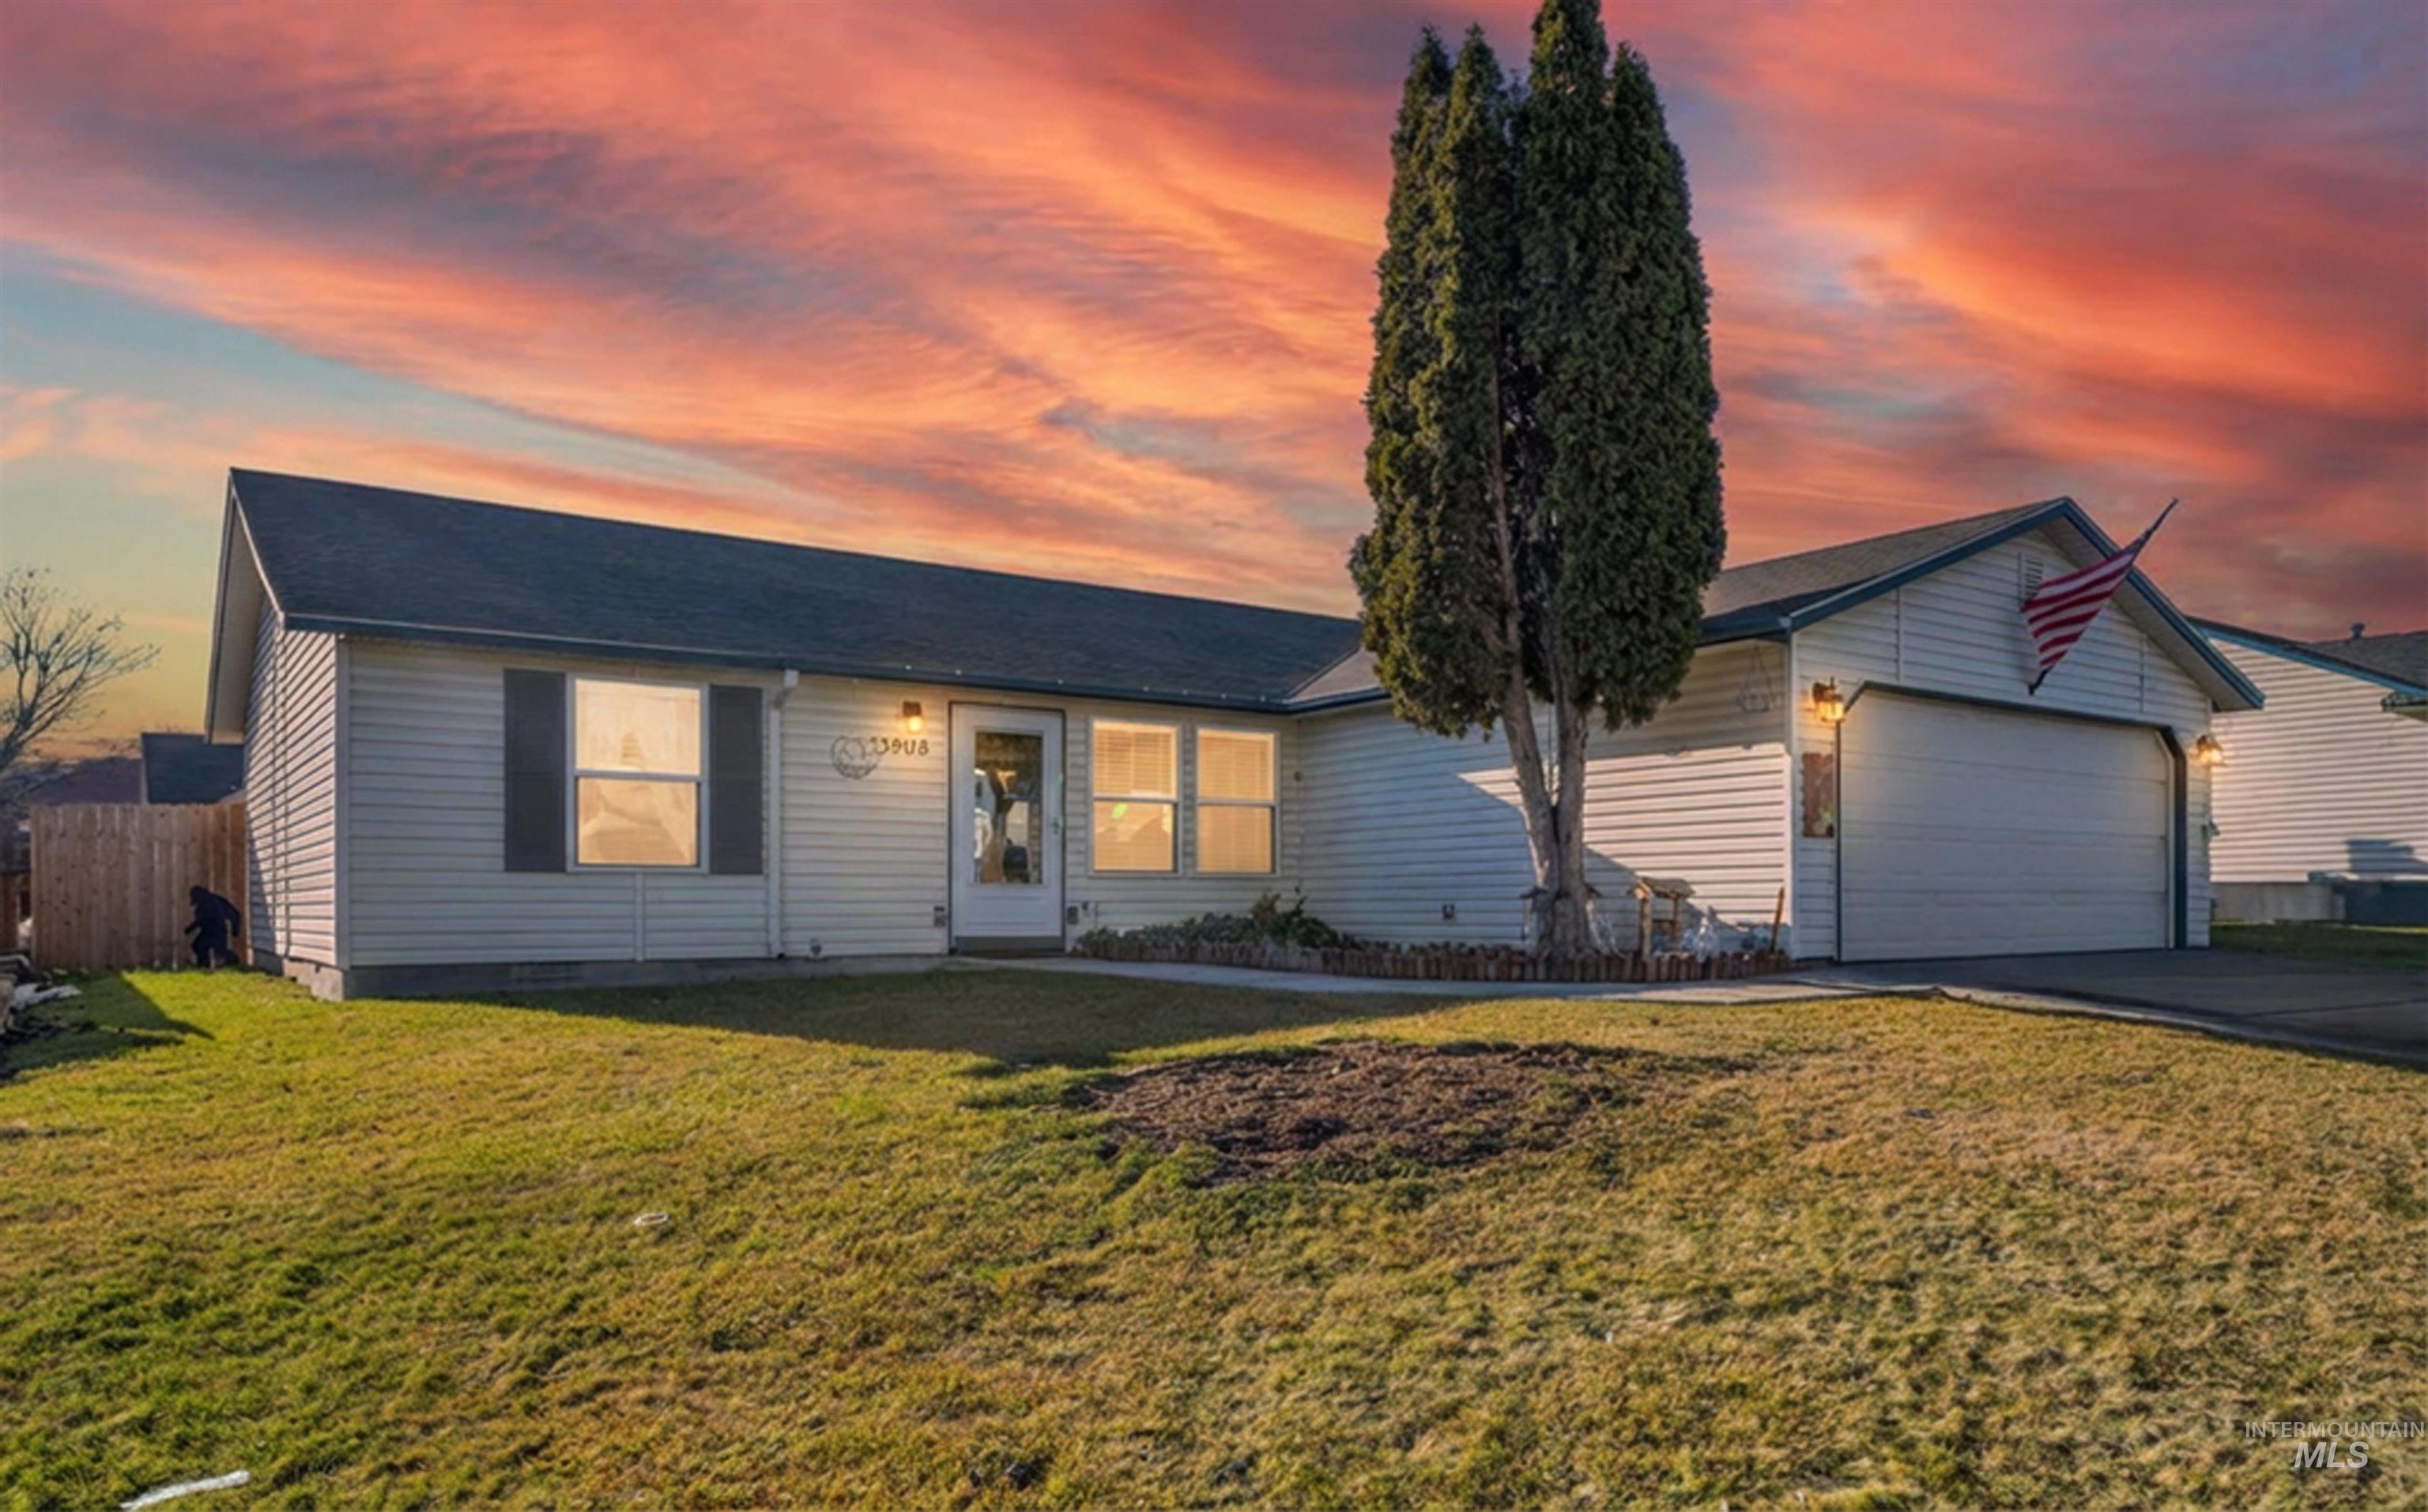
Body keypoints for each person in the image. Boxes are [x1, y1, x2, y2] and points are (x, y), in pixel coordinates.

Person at [184, 885, 242, 968]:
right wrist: (235, 928)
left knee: (205, 947)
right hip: (213, 929)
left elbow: (202, 919)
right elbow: (234, 912)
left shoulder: (208, 903)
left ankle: (232, 960)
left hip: (216, 930)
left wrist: (190, 928)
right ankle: (205, 964)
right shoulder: (214, 899)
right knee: (201, 946)